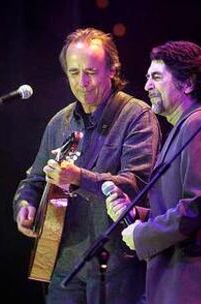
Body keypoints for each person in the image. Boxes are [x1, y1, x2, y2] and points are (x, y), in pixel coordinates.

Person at [12, 28, 161, 304]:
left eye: (91, 71)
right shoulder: (60, 122)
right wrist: (25, 206)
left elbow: (137, 185)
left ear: (112, 70)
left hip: (116, 266)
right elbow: (32, 182)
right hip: (63, 265)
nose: (83, 82)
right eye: (73, 72)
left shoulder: (137, 116)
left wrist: (79, 177)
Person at [106, 41, 201, 304]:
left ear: (187, 83)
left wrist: (142, 235)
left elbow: (196, 209)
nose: (147, 86)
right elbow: (178, 205)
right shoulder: (183, 127)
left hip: (192, 284)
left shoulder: (198, 125)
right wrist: (135, 214)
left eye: (156, 77)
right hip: (178, 280)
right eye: (147, 78)